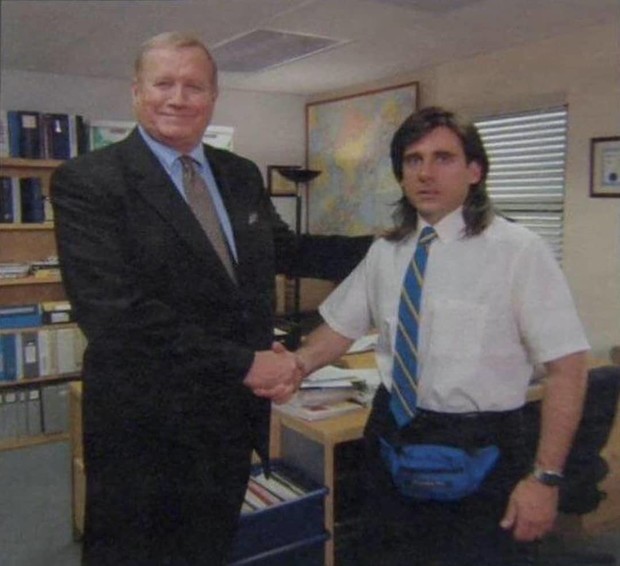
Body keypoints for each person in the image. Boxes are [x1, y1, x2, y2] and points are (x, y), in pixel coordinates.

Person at [51, 32, 370, 565]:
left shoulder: (238, 174)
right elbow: (114, 315)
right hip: (143, 427)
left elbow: (284, 249)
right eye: (164, 84)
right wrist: (245, 363)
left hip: (226, 421)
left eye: (194, 86)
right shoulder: (89, 181)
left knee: (208, 549)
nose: (178, 98)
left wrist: (388, 247)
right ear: (136, 91)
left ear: (214, 97)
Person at [295, 106, 590, 565]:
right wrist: (293, 365)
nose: (425, 173)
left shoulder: (519, 252)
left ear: (475, 171)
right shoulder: (386, 251)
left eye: (443, 158)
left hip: (482, 450)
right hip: (392, 435)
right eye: (413, 160)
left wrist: (545, 478)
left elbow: (568, 368)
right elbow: (339, 328)